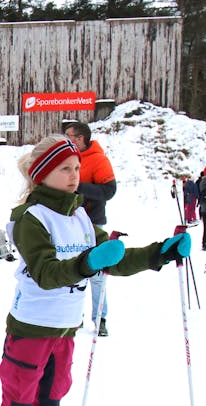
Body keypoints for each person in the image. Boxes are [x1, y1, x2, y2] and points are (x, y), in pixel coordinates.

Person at [0, 135, 191, 406]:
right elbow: (46, 272)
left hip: (65, 331)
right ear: (43, 174)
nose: (74, 175)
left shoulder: (80, 216)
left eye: (77, 168)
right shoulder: (31, 219)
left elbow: (114, 258)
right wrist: (87, 263)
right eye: (65, 169)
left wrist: (158, 253)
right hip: (30, 328)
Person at [63, 121, 117, 337]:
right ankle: (75, 317)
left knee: (95, 272)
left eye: (69, 135)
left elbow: (109, 190)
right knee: (73, 269)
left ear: (80, 138)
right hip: (70, 220)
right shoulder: (69, 158)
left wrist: (80, 189)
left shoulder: (98, 159)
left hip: (93, 222)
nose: (66, 139)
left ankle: (100, 318)